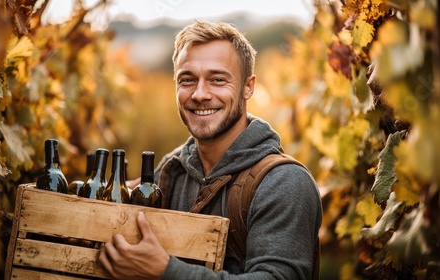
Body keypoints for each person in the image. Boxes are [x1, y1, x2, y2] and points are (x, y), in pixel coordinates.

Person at [98, 20, 323, 279]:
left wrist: (166, 273)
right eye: (187, 80)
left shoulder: (283, 183)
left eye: (217, 79)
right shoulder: (171, 171)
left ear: (248, 86)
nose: (200, 94)